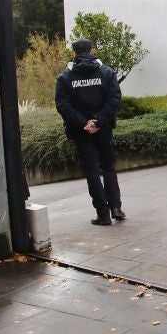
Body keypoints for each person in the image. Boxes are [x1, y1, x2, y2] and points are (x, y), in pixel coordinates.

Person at [55, 38, 125, 226]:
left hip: (81, 131)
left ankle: (103, 214)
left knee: (92, 170)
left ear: (74, 53)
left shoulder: (65, 77)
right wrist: (99, 121)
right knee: (108, 167)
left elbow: (62, 104)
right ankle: (116, 208)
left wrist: (83, 123)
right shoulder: (106, 72)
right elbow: (115, 98)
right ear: (92, 50)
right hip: (103, 128)